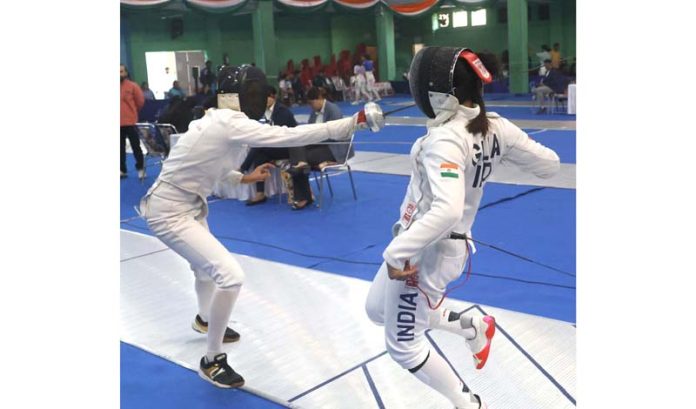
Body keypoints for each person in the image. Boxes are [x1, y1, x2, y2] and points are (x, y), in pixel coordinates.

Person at [139, 64, 381, 389]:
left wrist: (243, 177)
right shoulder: (226, 123)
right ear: (238, 95)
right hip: (169, 211)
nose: (256, 98)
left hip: (189, 203)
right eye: (252, 93)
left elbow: (208, 165)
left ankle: (205, 319)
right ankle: (212, 359)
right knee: (230, 276)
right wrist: (352, 122)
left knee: (203, 271)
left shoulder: (214, 121)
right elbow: (289, 135)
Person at [364, 46, 560, 409]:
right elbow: (549, 165)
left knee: (404, 346)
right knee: (376, 309)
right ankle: (471, 325)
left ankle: (468, 403)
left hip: (426, 255)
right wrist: (485, 159)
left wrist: (397, 252)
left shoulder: (446, 139)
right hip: (422, 244)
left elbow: (448, 210)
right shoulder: (494, 126)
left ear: (437, 94)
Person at [285, 87, 348, 210]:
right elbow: (310, 129)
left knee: (298, 160)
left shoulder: (333, 110)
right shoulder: (314, 112)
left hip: (333, 148)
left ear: (319, 99)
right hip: (318, 145)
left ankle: (303, 197)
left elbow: (336, 135)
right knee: (295, 146)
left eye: (311, 103)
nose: (310, 106)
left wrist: (313, 139)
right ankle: (301, 168)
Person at [239, 86, 298, 206]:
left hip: (286, 147)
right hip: (271, 145)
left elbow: (280, 134)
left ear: (272, 97)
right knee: (259, 154)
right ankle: (260, 193)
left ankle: (243, 168)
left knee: (260, 145)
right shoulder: (261, 111)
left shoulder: (282, 112)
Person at [120, 64, 146, 179]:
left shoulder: (132, 86)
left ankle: (140, 169)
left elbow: (140, 101)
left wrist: (132, 112)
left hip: (131, 122)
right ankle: (122, 169)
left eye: (121, 71)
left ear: (125, 73)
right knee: (119, 148)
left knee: (136, 146)